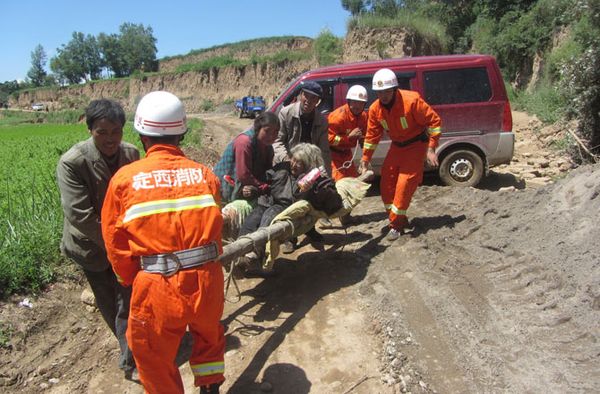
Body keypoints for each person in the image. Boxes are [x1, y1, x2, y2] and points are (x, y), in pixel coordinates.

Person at [101, 91, 225, 394]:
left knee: (152, 357)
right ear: (182, 133)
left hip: (157, 283)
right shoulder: (205, 175)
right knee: (209, 339)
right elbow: (216, 230)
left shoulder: (124, 180)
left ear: (142, 134)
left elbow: (115, 242)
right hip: (208, 278)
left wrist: (131, 278)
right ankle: (210, 389)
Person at [56, 98, 139, 380]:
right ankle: (128, 352)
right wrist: (115, 243)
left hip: (126, 245)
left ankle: (131, 357)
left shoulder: (131, 154)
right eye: (102, 132)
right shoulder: (73, 162)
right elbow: (80, 215)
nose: (110, 139)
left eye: (115, 131)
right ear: (90, 129)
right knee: (108, 300)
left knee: (127, 300)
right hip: (91, 247)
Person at [358, 68, 442, 241]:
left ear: (395, 89)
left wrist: (431, 148)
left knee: (404, 185)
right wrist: (365, 158)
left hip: (416, 146)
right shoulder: (375, 110)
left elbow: (434, 122)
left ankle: (395, 226)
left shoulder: (412, 101)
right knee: (386, 184)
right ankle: (399, 218)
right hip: (397, 147)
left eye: (387, 92)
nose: (383, 96)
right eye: (379, 92)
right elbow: (372, 136)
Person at [236, 143, 343, 277]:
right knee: (250, 222)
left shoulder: (315, 178)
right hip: (266, 202)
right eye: (293, 159)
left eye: (299, 162)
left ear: (308, 164)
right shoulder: (282, 168)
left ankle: (255, 256)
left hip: (284, 209)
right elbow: (266, 184)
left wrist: (313, 190)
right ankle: (238, 254)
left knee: (267, 223)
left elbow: (333, 202)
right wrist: (254, 190)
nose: (293, 164)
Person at [273, 80, 331, 241]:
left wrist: (325, 173)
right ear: (300, 95)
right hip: (289, 162)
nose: (309, 101)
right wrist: (286, 160)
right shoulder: (286, 113)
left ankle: (309, 229)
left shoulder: (321, 120)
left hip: (309, 165)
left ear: (318, 101)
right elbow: (277, 141)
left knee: (310, 198)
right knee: (290, 200)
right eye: (307, 96)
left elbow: (323, 150)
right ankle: (290, 238)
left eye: (314, 99)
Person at [213, 111, 280, 204]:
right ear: (258, 128)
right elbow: (244, 176)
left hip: (246, 187)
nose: (271, 136)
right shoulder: (244, 142)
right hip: (225, 187)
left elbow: (267, 172)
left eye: (275, 132)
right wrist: (264, 187)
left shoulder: (268, 148)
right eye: (267, 131)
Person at [327, 85, 368, 181]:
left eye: (361, 103)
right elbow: (330, 140)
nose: (357, 106)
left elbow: (365, 137)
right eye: (354, 102)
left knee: (353, 183)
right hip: (334, 155)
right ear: (349, 102)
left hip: (347, 154)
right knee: (339, 184)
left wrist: (365, 158)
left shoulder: (363, 117)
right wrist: (348, 138)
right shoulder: (338, 117)